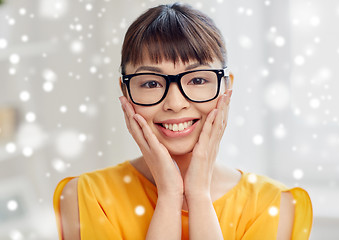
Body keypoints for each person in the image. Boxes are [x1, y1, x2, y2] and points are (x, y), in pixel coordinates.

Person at [53, 3, 312, 240]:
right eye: (152, 83)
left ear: (225, 87)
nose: (175, 103)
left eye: (198, 80)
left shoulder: (274, 205)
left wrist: (198, 196)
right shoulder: (85, 197)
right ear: (126, 91)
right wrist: (169, 196)